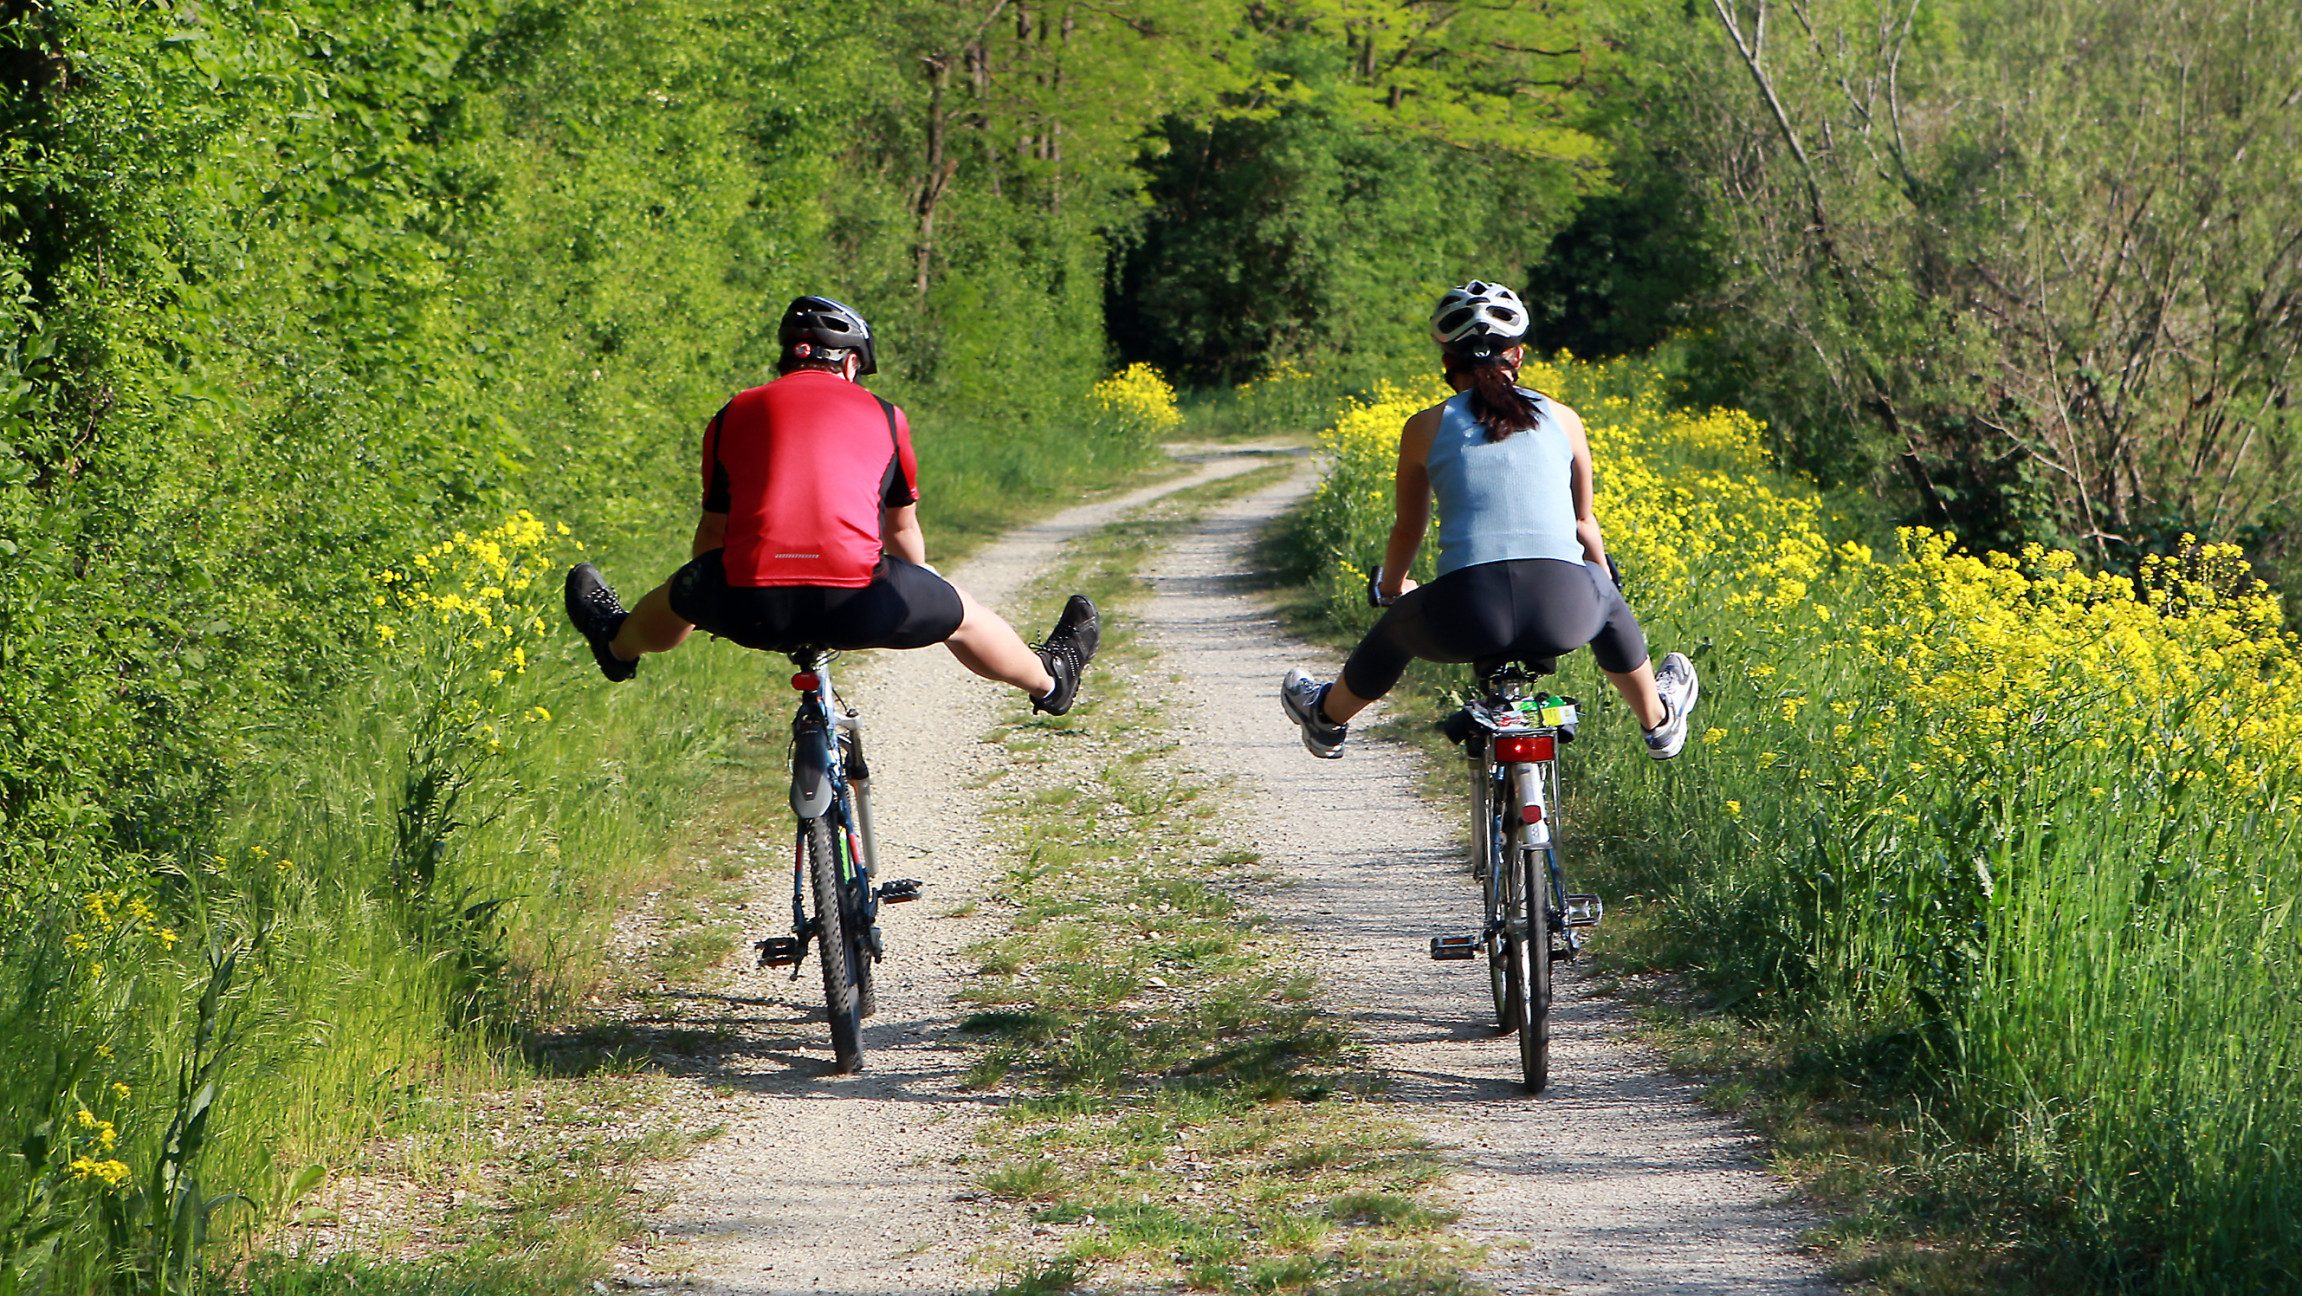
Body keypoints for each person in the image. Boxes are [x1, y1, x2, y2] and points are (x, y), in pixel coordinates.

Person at [563, 295, 1099, 713]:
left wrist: (709, 598)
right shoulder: (885, 415)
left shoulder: (734, 413)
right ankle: (1052, 679)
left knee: (680, 591)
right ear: (848, 364)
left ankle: (617, 646)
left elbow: (712, 536)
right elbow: (901, 529)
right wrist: (924, 585)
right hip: (863, 602)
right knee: (964, 615)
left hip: (748, 606)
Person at [1279, 280, 1698, 758]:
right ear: (1516, 356)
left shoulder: (1424, 427)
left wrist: (1393, 590)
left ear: (1446, 364)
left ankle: (1326, 719)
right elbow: (1584, 525)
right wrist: (1601, 584)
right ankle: (1658, 721)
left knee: (1399, 623)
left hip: (1467, 612)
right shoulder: (1564, 418)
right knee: (1601, 589)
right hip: (1561, 612)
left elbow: (1408, 530)